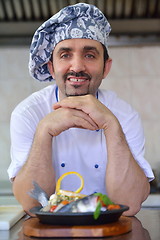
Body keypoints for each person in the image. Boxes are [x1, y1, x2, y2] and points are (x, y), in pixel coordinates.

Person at [8, 3, 154, 216]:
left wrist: (111, 125)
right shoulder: (28, 113)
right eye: (65, 55)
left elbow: (129, 206)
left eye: (89, 55)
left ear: (106, 67)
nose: (76, 67)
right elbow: (32, 206)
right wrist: (44, 131)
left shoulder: (124, 115)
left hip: (108, 232)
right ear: (51, 67)